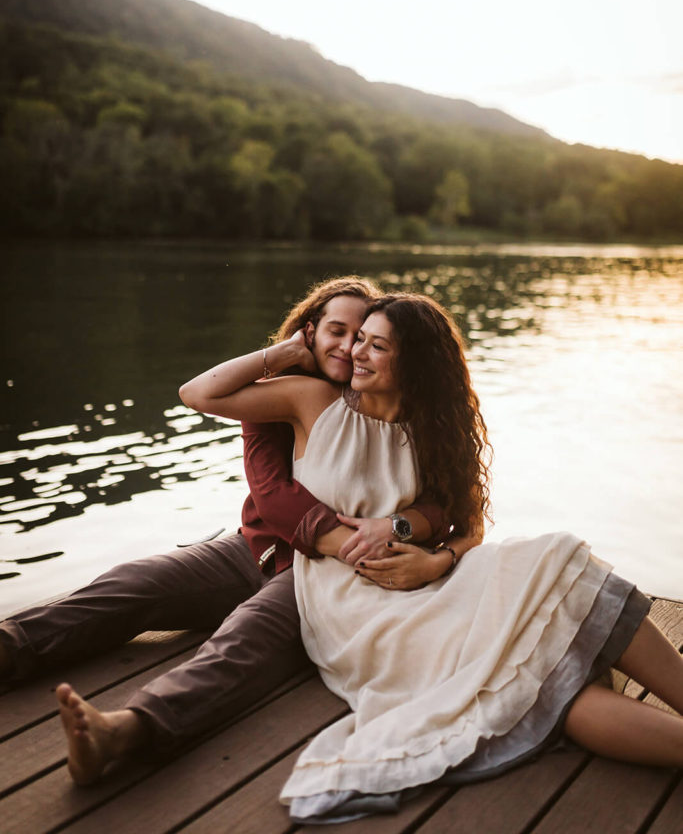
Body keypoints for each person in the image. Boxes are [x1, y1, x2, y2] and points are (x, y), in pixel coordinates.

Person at [147, 292, 682, 822]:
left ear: (413, 364)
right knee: (540, 684)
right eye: (359, 338)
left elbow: (469, 525)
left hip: (429, 578)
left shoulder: (431, 428)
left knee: (565, 568)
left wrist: (434, 560)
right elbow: (198, 393)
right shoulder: (313, 401)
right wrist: (287, 351)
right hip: (352, 603)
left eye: (376, 346)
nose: (356, 352)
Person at [0, 277, 454, 784]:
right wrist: (281, 354)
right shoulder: (288, 397)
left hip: (319, 577)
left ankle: (127, 731)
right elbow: (272, 497)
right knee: (136, 582)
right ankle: (9, 647)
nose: (350, 348)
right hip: (256, 549)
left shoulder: (389, 410)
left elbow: (444, 503)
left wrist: (396, 539)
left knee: (242, 639)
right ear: (309, 332)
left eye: (364, 336)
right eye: (336, 331)